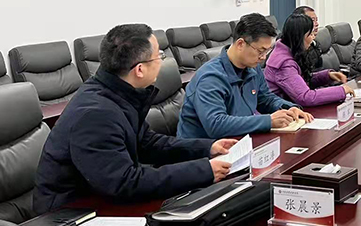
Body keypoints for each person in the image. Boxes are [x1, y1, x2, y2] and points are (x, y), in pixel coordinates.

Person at [34, 24, 237, 214]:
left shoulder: (118, 93)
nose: (162, 61)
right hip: (69, 215)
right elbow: (124, 182)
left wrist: (207, 148)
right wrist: (202, 171)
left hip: (101, 197)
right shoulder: (96, 114)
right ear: (140, 69)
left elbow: (147, 143)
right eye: (159, 56)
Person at [178, 13, 313, 139]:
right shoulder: (210, 77)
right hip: (203, 150)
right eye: (260, 51)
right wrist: (268, 121)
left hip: (239, 141)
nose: (263, 57)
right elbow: (216, 124)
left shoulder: (252, 67)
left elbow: (265, 99)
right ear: (241, 44)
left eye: (267, 51)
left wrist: (288, 108)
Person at [265, 14, 353, 106]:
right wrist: (341, 91)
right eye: (310, 34)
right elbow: (305, 97)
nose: (313, 38)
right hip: (281, 111)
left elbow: (300, 81)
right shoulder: (284, 64)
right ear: (299, 37)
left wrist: (327, 76)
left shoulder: (290, 50)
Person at [292, 5, 323, 70]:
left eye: (316, 20)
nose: (317, 24)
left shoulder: (315, 45)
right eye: (312, 20)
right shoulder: (291, 48)